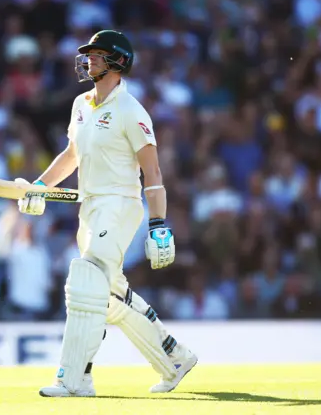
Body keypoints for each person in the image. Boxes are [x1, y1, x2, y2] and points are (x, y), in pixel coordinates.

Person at [15, 30, 198, 397]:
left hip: (120, 206)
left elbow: (154, 173)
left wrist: (159, 224)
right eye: (88, 55)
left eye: (97, 54)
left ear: (118, 62)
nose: (89, 60)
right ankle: (174, 358)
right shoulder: (82, 103)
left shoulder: (132, 111)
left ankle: (74, 378)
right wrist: (40, 186)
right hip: (91, 205)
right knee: (110, 297)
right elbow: (71, 156)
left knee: (85, 280)